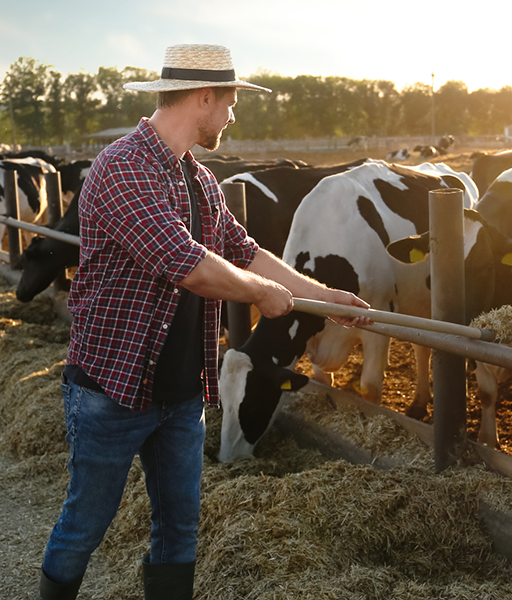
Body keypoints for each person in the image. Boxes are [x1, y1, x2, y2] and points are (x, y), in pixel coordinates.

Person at [38, 43, 370, 600]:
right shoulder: (121, 167)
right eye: (233, 101)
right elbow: (185, 264)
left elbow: (243, 251)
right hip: (112, 389)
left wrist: (323, 298)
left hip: (181, 392)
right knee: (84, 528)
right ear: (205, 97)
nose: (234, 115)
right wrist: (263, 295)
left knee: (180, 530)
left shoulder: (200, 181)